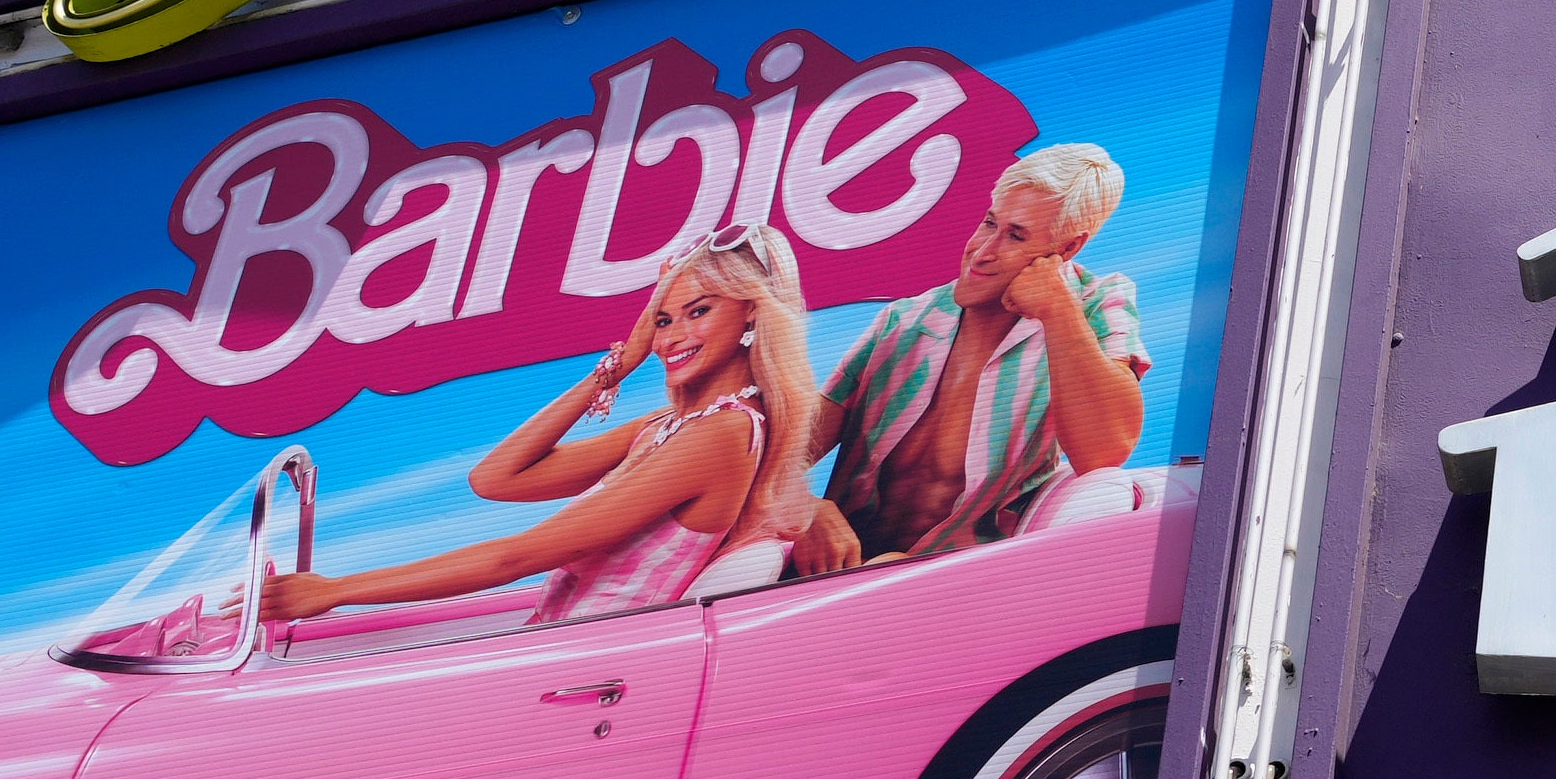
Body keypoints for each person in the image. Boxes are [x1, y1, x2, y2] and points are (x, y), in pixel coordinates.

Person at [269, 226, 825, 627]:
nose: (671, 337)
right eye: (661, 319)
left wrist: (335, 591)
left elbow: (519, 557)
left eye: (698, 311)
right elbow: (496, 479)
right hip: (558, 642)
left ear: (752, 311)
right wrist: (616, 367)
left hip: (596, 667)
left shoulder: (721, 435)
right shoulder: (668, 425)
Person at [809, 144, 1147, 564]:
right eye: (989, 223)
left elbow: (1104, 453)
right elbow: (786, 451)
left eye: (1015, 235)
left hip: (966, 584)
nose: (983, 251)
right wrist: (808, 509)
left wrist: (1058, 312)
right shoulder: (904, 319)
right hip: (825, 581)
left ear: (1068, 248)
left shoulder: (1095, 305)